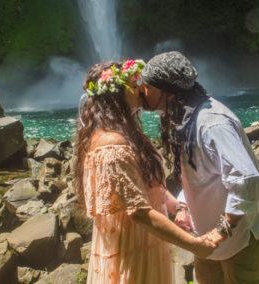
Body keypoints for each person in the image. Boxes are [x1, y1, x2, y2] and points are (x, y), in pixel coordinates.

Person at [140, 51, 259, 284]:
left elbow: (247, 180)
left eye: (147, 86)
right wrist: (184, 206)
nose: (142, 91)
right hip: (207, 238)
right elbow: (198, 175)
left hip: (241, 236)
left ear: (167, 89)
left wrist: (221, 230)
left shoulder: (212, 122)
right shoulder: (184, 116)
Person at [73, 59, 216, 284]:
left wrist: (177, 207)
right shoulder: (112, 144)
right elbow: (138, 212)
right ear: (116, 94)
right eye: (133, 83)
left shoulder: (126, 132)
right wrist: (195, 245)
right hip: (130, 250)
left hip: (146, 242)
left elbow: (150, 187)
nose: (141, 87)